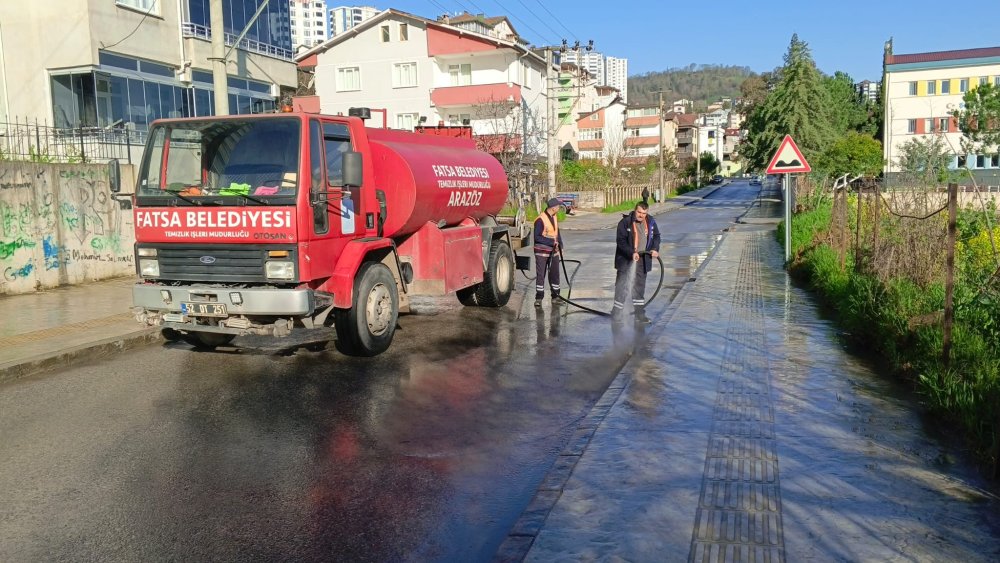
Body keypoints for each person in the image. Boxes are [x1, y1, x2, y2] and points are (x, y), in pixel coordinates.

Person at [613, 201, 661, 323]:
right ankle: (617, 314)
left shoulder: (651, 222)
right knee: (622, 286)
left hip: (643, 260)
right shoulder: (625, 223)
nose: (641, 215)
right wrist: (631, 252)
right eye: (639, 212)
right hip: (626, 260)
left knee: (639, 288)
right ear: (635, 210)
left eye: (644, 213)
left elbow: (656, 236)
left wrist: (654, 249)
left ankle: (639, 315)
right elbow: (621, 241)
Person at [533, 198, 565, 307]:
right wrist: (552, 242)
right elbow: (537, 237)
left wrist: (561, 245)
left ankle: (555, 296)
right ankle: (539, 298)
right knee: (541, 274)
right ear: (553, 208)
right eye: (558, 206)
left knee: (555, 274)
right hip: (542, 252)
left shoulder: (554, 217)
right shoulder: (540, 220)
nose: (559, 208)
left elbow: (557, 232)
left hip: (554, 251)